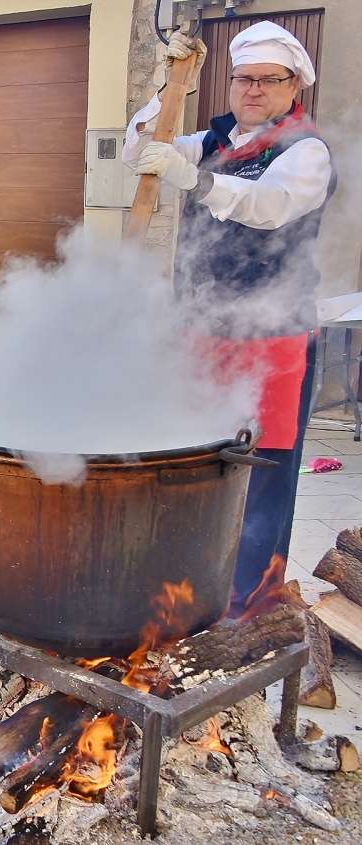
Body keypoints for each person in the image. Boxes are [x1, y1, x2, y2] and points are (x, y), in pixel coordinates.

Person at [122, 21, 334, 610]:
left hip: (272, 339)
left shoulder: (304, 151)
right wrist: (169, 88)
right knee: (194, 459)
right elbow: (140, 150)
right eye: (245, 78)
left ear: (295, 86)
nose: (254, 89)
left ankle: (250, 606)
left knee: (259, 472)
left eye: (270, 80)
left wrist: (196, 180)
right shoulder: (215, 141)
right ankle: (187, 591)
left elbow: (269, 207)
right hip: (200, 332)